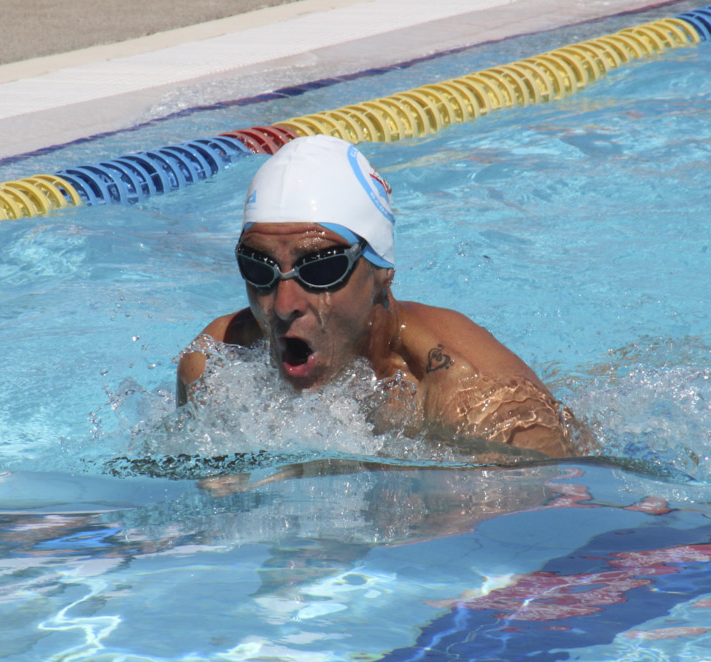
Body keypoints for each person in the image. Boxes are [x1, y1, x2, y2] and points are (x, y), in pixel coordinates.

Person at [176, 135, 575, 459]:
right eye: (259, 268)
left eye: (321, 268)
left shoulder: (480, 403)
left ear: (382, 272)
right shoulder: (215, 364)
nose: (282, 305)